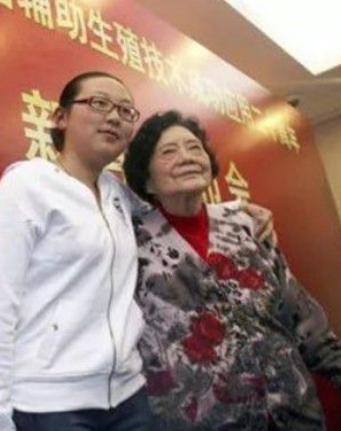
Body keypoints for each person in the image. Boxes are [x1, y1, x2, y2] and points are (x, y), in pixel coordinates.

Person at [124, 110, 341, 430]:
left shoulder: (245, 226)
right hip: (205, 420)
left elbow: (304, 320)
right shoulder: (130, 242)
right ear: (146, 180)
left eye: (194, 148)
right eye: (169, 152)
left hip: (293, 411)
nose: (187, 157)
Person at [0, 71, 153, 431]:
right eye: (99, 103)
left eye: (125, 111)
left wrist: (236, 212)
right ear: (60, 117)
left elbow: (173, 210)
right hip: (52, 405)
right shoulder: (27, 186)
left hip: (129, 397)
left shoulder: (117, 194)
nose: (114, 117)